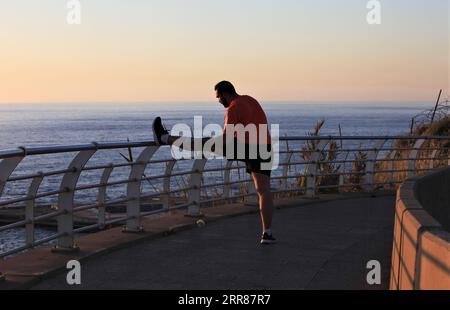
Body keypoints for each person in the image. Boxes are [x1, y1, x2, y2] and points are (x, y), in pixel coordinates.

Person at [152, 81, 276, 244]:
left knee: (200, 143)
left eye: (218, 97)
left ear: (224, 94)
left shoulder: (233, 107)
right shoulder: (250, 100)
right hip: (265, 146)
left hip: (247, 147)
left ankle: (164, 138)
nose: (219, 101)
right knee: (264, 191)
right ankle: (267, 233)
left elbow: (226, 139)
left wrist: (210, 143)